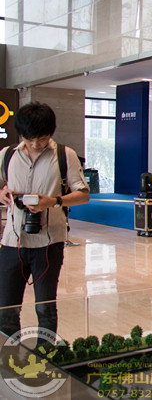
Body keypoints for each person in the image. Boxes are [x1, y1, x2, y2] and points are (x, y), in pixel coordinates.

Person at [0, 102, 90, 338]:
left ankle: (46, 355)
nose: (35, 144)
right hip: (12, 243)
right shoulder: (7, 155)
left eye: (41, 138)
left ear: (50, 132)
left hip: (49, 244)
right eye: (28, 138)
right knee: (6, 309)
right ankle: (10, 353)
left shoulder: (65, 155)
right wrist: (2, 193)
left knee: (45, 308)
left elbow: (83, 194)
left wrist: (53, 201)